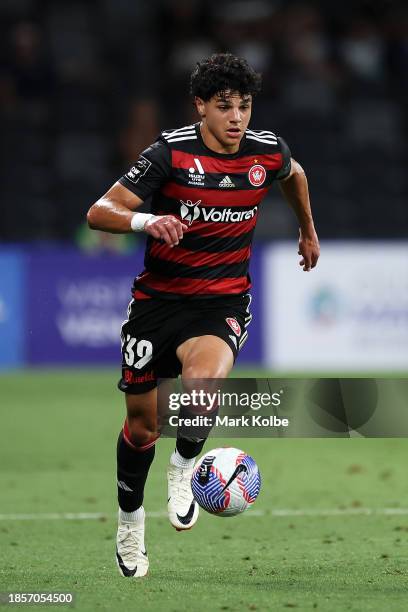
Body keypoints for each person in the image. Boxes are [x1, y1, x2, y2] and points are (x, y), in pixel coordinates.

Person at [87, 53, 320, 578]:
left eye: (244, 106)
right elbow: (99, 211)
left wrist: (307, 229)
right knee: (142, 430)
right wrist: (147, 220)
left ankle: (185, 466)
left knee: (202, 386)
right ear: (201, 107)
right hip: (157, 305)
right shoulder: (168, 154)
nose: (237, 117)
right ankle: (129, 524)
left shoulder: (266, 152)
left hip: (221, 303)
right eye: (224, 107)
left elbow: (295, 173)